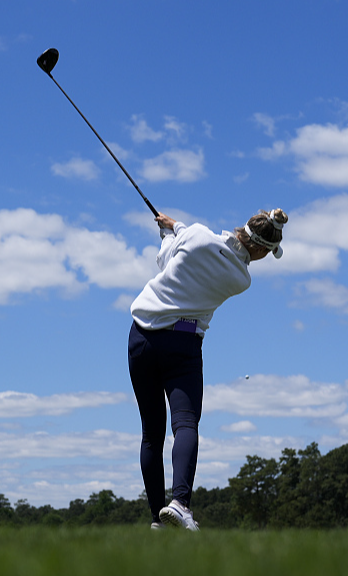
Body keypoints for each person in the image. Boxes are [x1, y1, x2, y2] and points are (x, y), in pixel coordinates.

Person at [128, 208, 288, 530]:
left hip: (141, 338)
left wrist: (169, 231)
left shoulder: (197, 234)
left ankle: (156, 518)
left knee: (151, 432)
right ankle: (180, 503)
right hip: (182, 347)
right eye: (267, 253)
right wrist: (177, 229)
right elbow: (214, 251)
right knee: (185, 423)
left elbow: (167, 258)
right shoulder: (241, 279)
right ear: (257, 249)